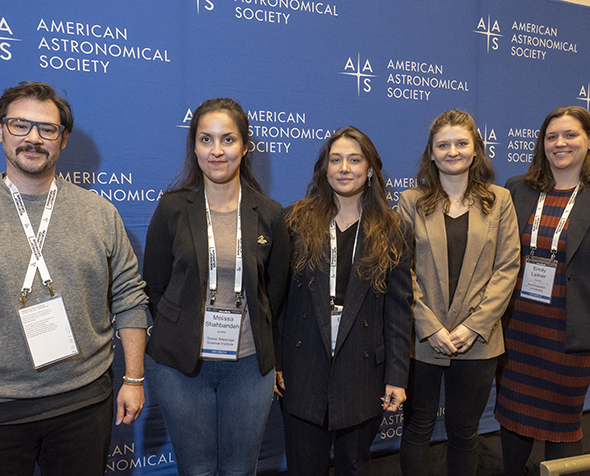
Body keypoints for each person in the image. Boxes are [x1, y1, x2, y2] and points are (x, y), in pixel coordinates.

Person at [0, 81, 148, 475]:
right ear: (2, 130)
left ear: (62, 140)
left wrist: (134, 378)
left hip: (83, 404)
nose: (33, 138)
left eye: (47, 129)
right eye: (20, 125)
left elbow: (130, 298)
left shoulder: (99, 213)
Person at [143, 98, 289, 476]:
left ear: (245, 146)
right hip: (182, 367)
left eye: (228, 139)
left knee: (241, 470)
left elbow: (274, 293)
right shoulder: (172, 208)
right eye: (206, 140)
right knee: (197, 470)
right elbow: (155, 285)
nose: (217, 151)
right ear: (194, 146)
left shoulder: (270, 213)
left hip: (248, 367)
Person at [278, 126, 413, 476]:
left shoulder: (393, 228)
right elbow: (276, 300)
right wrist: (276, 362)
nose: (344, 168)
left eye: (355, 160)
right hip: (303, 364)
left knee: (355, 466)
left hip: (363, 369)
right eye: (335, 160)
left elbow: (399, 310)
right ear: (324, 168)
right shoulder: (294, 220)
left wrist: (397, 376)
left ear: (370, 170)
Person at [398, 110, 520, 476]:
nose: (453, 151)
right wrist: (430, 326)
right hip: (422, 339)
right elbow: (402, 270)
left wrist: (475, 325)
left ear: (475, 150)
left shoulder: (500, 200)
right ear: (431, 153)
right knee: (417, 429)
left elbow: (507, 268)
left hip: (478, 341)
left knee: (465, 433)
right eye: (443, 145)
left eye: (461, 143)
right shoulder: (411, 201)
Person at [495, 106, 590, 476]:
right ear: (542, 144)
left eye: (570, 135)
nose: (560, 143)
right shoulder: (517, 189)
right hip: (517, 326)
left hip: (570, 333)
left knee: (563, 422)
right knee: (513, 414)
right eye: (552, 137)